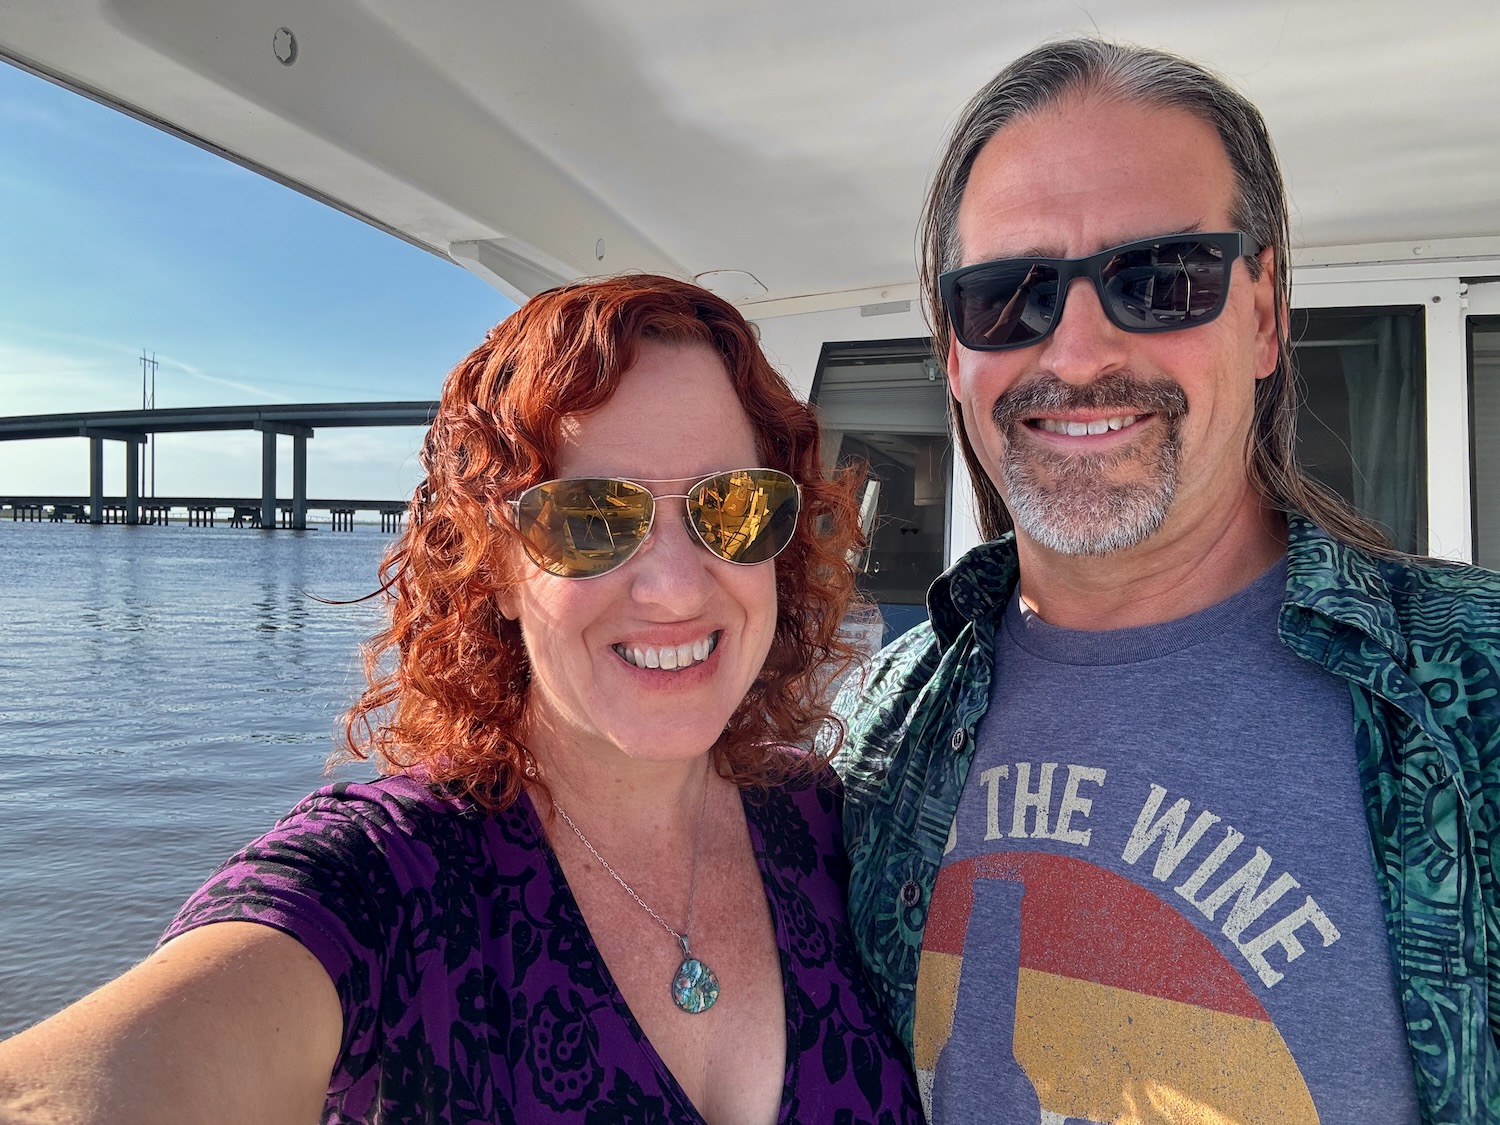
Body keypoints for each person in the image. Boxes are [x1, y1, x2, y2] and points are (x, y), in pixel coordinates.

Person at [0, 275, 922, 1124]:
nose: (678, 586)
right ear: (498, 568)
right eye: (591, 518)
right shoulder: (386, 881)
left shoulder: (842, 826)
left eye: (732, 507)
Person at [837, 38, 1500, 1125]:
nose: (1078, 352)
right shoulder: (882, 725)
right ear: (954, 353)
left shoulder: (1475, 688)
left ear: (1264, 314)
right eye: (1008, 296)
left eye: (1161, 279)